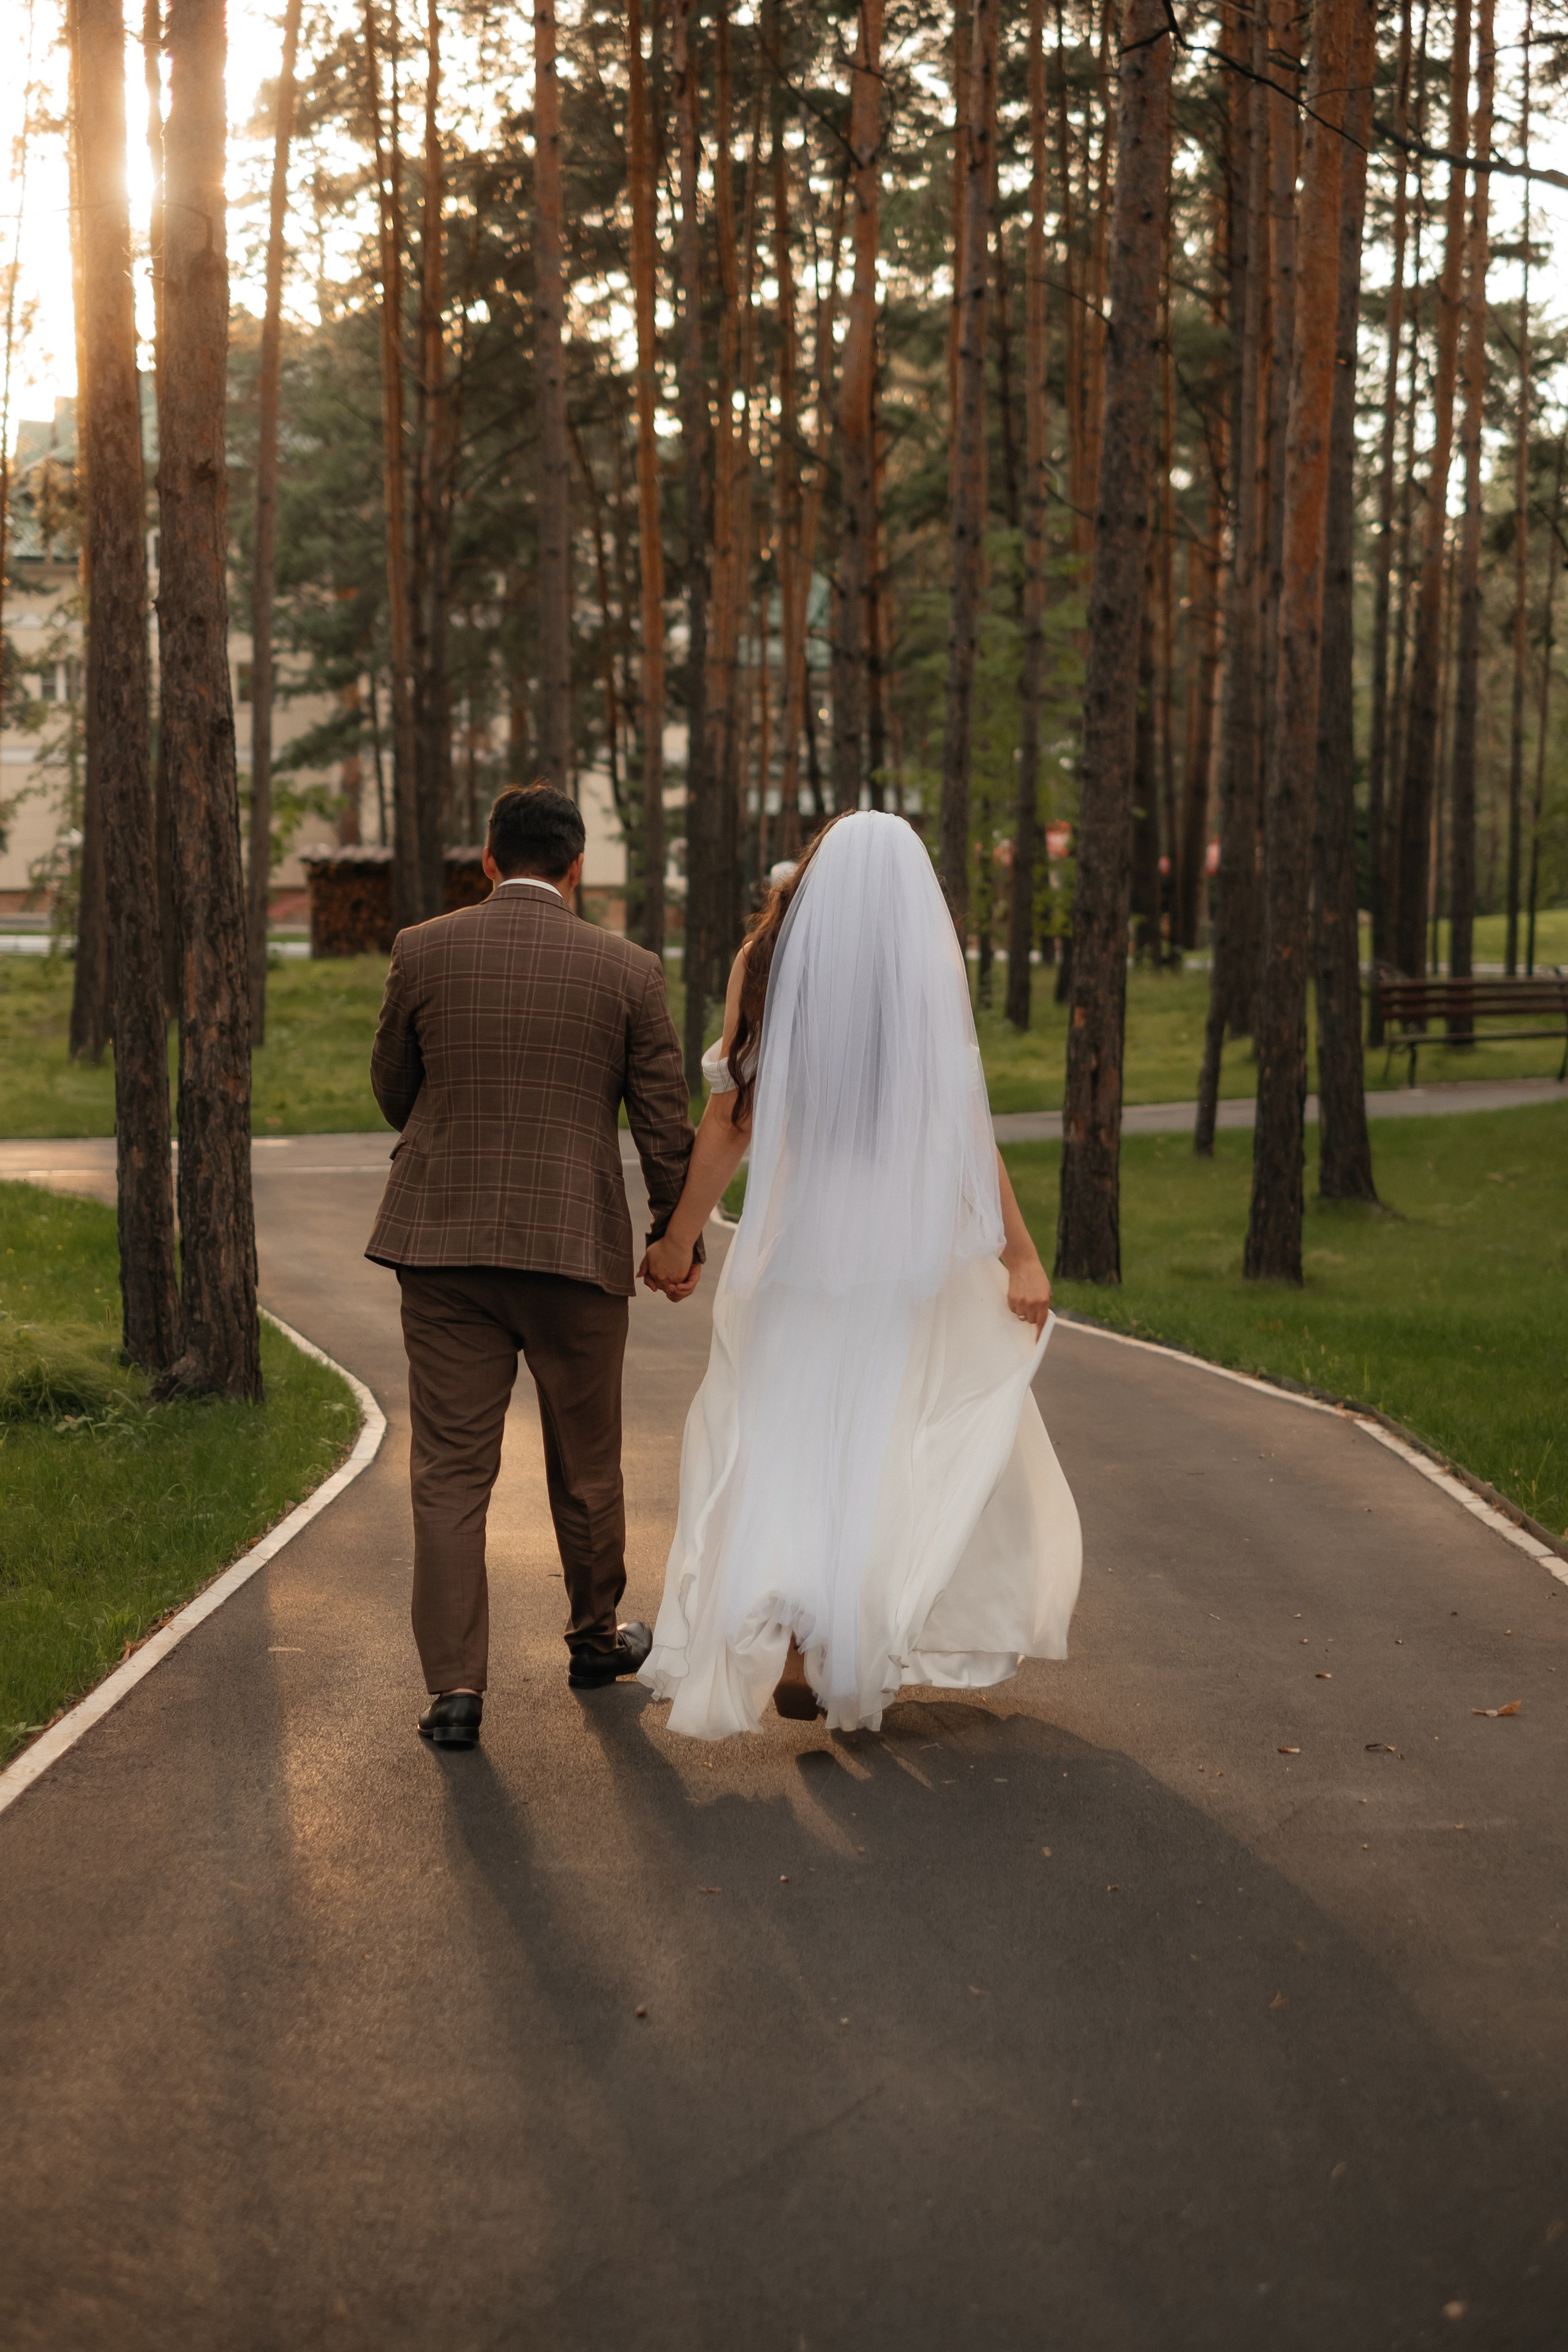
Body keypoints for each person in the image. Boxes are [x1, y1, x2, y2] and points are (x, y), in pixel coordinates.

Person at [637, 810, 1082, 1738]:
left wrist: (679, 1238)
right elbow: (966, 1134)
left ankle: (796, 1631)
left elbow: (730, 1120)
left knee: (785, 1434)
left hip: (797, 1248)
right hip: (906, 1257)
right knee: (884, 1440)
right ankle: (845, 1636)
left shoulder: (765, 963)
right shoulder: (925, 974)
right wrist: (1020, 1253)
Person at [365, 783, 701, 1751]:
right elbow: (663, 1122)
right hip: (574, 1246)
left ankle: (455, 1692)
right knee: (588, 1463)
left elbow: (393, 1090)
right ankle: (595, 1641)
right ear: (576, 866)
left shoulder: (422, 949)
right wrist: (675, 1236)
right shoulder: (629, 970)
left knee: (449, 1470)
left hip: (443, 1246)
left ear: (487, 858)